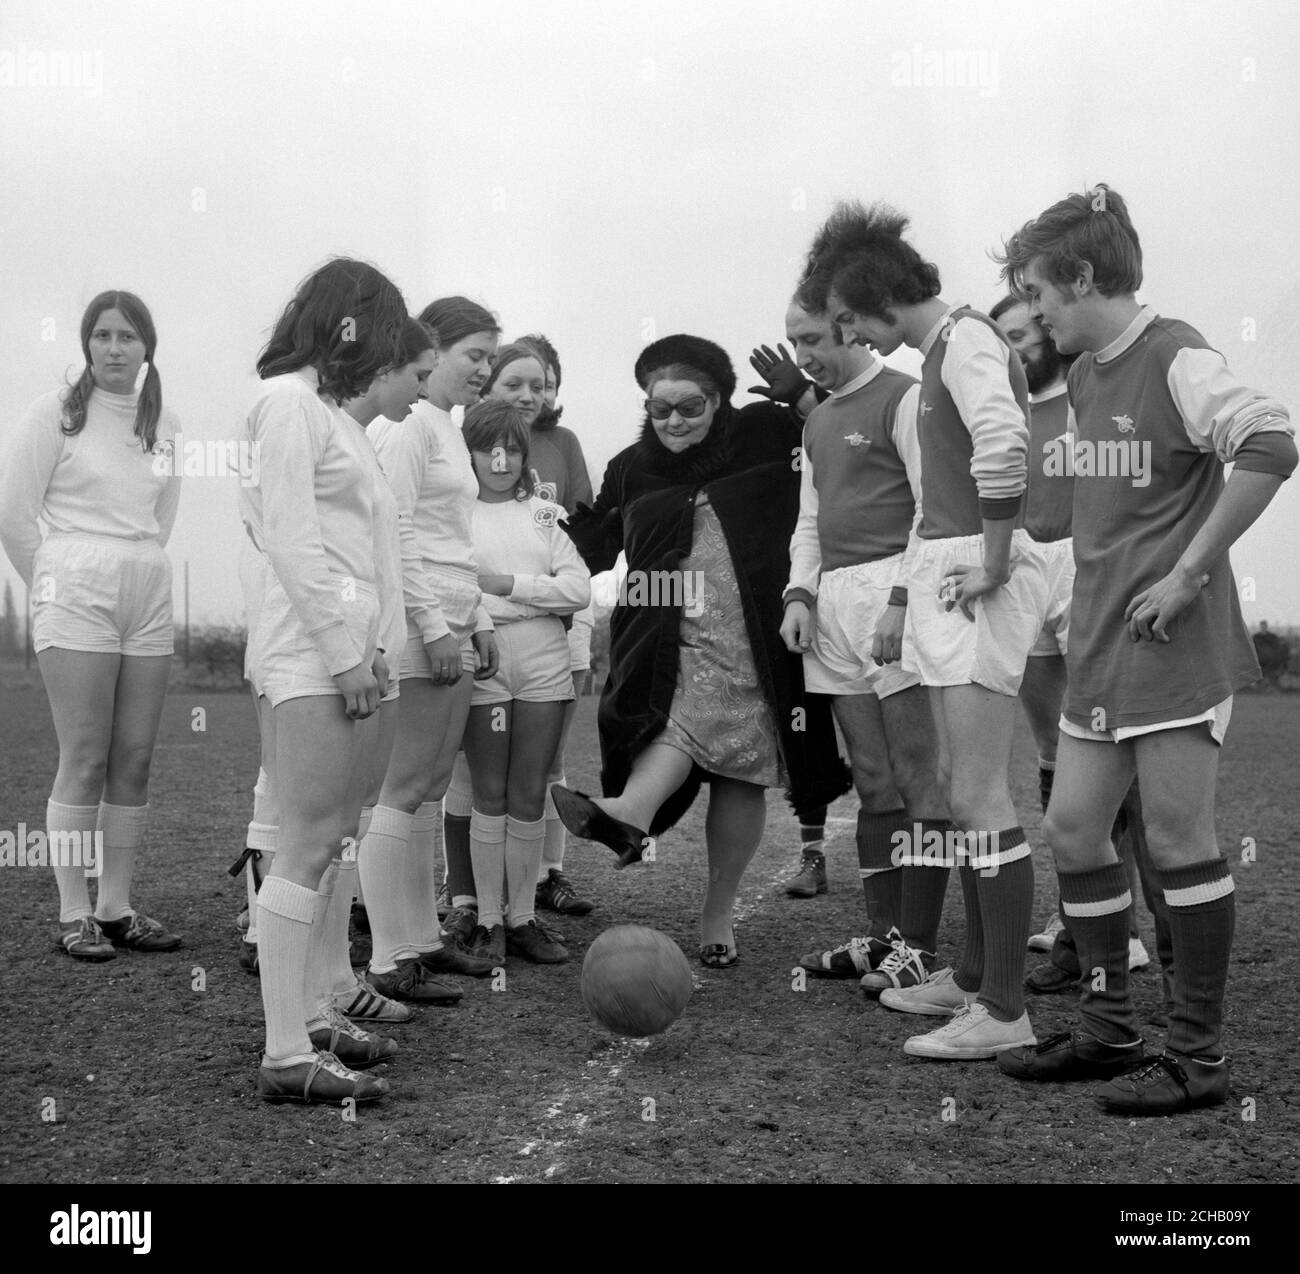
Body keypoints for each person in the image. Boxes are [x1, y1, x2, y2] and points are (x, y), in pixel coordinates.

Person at [994, 184, 1295, 1113]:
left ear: (1084, 277)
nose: (1034, 313)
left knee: (1175, 842)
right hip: (1101, 637)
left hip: (1171, 637)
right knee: (1076, 830)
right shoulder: (1082, 377)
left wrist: (1191, 572)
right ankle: (1111, 1030)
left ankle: (1199, 1059)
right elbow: (1087, 509)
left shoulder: (1176, 353)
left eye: (1039, 292)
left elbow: (1273, 442)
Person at [805, 201, 1050, 1060]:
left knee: (978, 793)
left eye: (843, 318)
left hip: (977, 575)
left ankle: (1006, 1010)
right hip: (949, 570)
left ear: (871, 302)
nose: (845, 333)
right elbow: (944, 492)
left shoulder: (969, 341)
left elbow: (1005, 443)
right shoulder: (941, 351)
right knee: (955, 784)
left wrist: (988, 557)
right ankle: (979, 978)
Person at [554, 334, 850, 966]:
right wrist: (543, 507)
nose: (675, 422)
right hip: (668, 634)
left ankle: (717, 909)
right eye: (661, 410)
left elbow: (849, 443)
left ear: (721, 400)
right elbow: (597, 548)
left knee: (741, 769)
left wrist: (803, 396)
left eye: (690, 406)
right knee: (676, 725)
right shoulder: (632, 465)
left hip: (760, 631)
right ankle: (629, 812)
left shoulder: (770, 430)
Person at [239, 258, 407, 1104]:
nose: (386, 347)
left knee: (339, 830)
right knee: (306, 840)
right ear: (348, 323)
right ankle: (282, 1053)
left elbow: (364, 553)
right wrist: (342, 653)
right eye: (383, 328)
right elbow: (292, 542)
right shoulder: (287, 403)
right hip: (308, 650)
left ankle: (309, 1013)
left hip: (348, 646)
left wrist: (375, 647)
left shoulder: (331, 414)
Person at [989, 294, 1165, 1004]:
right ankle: (1081, 930)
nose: (1014, 350)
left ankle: (1131, 930)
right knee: (1058, 753)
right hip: (1027, 570)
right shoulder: (1002, 410)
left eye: (1022, 334)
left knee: (1120, 751)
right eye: (1001, 340)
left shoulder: (1093, 389)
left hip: (1090, 574)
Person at [777, 290, 953, 995]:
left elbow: (931, 507)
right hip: (834, 604)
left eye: (814, 337)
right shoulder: (816, 418)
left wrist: (904, 600)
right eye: (795, 342)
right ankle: (886, 939)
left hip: (892, 595)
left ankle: (922, 945)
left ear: (852, 327)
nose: (804, 355)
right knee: (874, 783)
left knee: (920, 783)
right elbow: (809, 521)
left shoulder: (905, 399)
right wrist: (799, 592)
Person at [0, 291, 183, 961]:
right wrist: (54, 586)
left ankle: (116, 906)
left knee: (132, 758)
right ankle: (74, 910)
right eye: (102, 335)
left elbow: (160, 520)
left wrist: (131, 568)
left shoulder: (166, 425)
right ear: (87, 344)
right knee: (85, 756)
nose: (113, 348)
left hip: (145, 587)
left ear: (146, 347)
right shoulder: (54, 415)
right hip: (75, 586)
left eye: (127, 336)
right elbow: (14, 515)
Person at [359, 297, 501, 1004]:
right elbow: (398, 532)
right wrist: (433, 625)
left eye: (490, 357)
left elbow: (455, 542)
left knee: (429, 789)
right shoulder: (408, 424)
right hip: (419, 625)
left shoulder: (446, 424)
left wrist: (474, 617)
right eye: (474, 354)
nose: (485, 369)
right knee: (403, 786)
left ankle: (419, 938)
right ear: (433, 348)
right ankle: (387, 958)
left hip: (451, 614)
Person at [459, 399, 590, 964]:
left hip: (544, 662)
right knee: (488, 794)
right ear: (468, 453)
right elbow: (458, 589)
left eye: (512, 448)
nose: (501, 458)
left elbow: (579, 589)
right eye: (489, 447)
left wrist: (509, 585)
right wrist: (527, 597)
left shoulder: (542, 512)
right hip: (484, 660)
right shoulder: (454, 514)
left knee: (529, 793)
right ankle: (487, 920)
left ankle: (524, 918)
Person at [520, 333, 599, 918]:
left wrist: (557, 590)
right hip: (499, 616)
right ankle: (472, 888)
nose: (537, 393)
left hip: (564, 612)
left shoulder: (563, 442)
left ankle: (550, 874)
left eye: (547, 382)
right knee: (482, 766)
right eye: (523, 381)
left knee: (550, 756)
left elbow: (588, 531)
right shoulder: (477, 443)